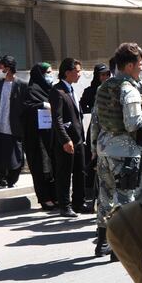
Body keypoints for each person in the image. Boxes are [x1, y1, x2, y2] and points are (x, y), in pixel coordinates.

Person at [92, 43, 142, 257]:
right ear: (129, 66)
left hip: (103, 148)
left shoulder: (104, 87)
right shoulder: (129, 89)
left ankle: (102, 243)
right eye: (140, 64)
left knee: (104, 196)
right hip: (124, 152)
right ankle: (122, 248)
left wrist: (93, 147)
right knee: (126, 200)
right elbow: (133, 122)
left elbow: (95, 121)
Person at [50, 58, 87, 217]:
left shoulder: (71, 90)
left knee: (80, 172)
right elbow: (57, 119)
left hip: (78, 139)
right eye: (77, 71)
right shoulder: (57, 91)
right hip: (66, 141)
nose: (80, 74)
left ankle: (79, 202)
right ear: (67, 72)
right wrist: (65, 140)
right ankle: (65, 206)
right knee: (65, 174)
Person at [0, 55, 27, 189]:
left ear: (7, 69)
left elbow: (25, 107)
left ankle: (11, 180)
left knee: (14, 156)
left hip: (13, 127)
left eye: (0, 67)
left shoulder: (22, 85)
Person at [23, 63, 57, 210]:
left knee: (53, 166)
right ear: (40, 74)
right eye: (48, 72)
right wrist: (42, 105)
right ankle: (44, 198)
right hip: (36, 138)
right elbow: (25, 109)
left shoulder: (51, 90)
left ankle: (55, 196)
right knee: (41, 167)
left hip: (51, 135)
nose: (50, 75)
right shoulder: (30, 90)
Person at [80, 63, 111, 208]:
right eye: (102, 75)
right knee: (93, 165)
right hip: (94, 130)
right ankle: (90, 198)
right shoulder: (90, 91)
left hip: (108, 133)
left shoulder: (112, 90)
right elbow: (82, 106)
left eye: (107, 75)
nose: (104, 78)